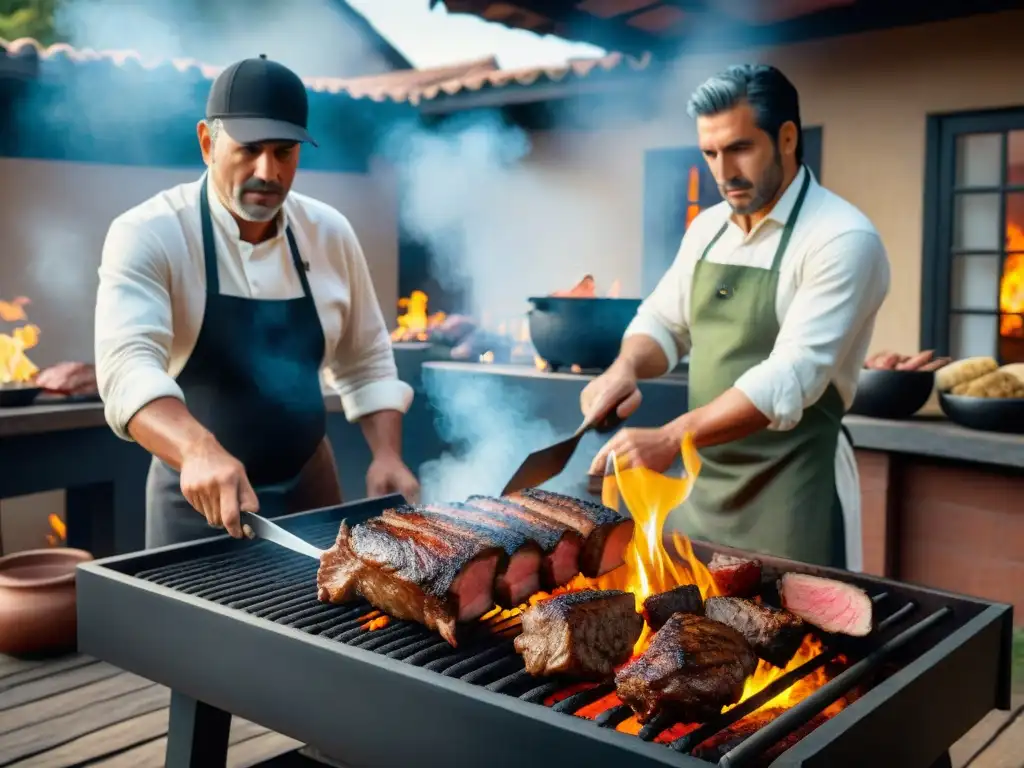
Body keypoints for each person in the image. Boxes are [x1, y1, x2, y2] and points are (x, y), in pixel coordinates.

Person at [94, 55, 419, 548]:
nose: (267, 171)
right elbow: (127, 368)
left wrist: (388, 456)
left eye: (284, 152)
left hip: (310, 485)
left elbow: (367, 359)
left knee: (322, 625)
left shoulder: (329, 233)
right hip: (195, 496)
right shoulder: (149, 233)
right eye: (248, 150)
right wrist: (196, 446)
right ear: (208, 143)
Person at [583, 64, 890, 570]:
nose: (723, 171)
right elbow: (662, 322)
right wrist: (625, 369)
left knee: (799, 644)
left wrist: (667, 438)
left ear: (787, 138)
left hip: (793, 493)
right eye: (710, 153)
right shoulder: (707, 230)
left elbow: (789, 377)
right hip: (698, 495)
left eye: (740, 148)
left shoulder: (841, 239)